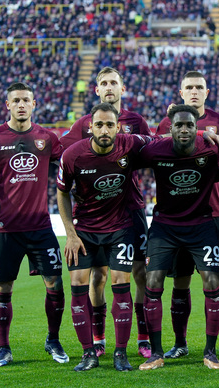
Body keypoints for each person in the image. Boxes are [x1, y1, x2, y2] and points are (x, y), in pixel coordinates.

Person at [137, 105, 219, 371]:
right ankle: (156, 352)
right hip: (165, 226)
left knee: (212, 281)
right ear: (169, 128)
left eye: (189, 125)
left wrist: (216, 139)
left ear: (196, 127)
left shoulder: (210, 147)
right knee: (153, 281)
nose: (184, 129)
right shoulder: (154, 150)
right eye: (178, 125)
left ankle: (211, 352)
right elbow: (130, 152)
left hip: (201, 224)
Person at [0, 82, 68, 368]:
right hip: (4, 228)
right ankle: (4, 348)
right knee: (3, 287)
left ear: (34, 104)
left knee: (55, 283)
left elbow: (69, 166)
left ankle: (53, 339)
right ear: (8, 105)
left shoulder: (47, 138)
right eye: (17, 100)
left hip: (40, 226)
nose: (22, 104)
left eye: (27, 99)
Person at [61, 67, 153, 360]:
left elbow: (156, 151)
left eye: (114, 82)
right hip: (93, 215)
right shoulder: (81, 126)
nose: (109, 87)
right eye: (104, 83)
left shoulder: (136, 122)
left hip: (131, 209)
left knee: (139, 273)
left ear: (122, 89)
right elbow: (64, 159)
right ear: (97, 89)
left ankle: (143, 337)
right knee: (97, 277)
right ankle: (98, 339)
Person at [156, 71, 219, 360]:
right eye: (188, 87)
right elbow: (161, 145)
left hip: (213, 213)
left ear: (207, 91)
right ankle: (180, 342)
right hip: (176, 217)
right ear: (180, 93)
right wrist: (204, 134)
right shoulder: (168, 123)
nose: (193, 91)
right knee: (180, 280)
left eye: (198, 87)